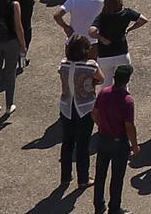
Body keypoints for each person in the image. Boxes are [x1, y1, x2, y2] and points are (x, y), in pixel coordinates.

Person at [90, 62, 139, 214]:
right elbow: (129, 126)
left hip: (103, 139)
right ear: (127, 80)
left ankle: (99, 207)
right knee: (117, 178)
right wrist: (135, 145)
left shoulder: (104, 92)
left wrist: (101, 125)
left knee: (100, 175)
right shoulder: (127, 100)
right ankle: (114, 208)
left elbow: (94, 113)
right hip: (119, 143)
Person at [56, 36, 102, 193]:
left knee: (67, 142)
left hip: (66, 107)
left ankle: (65, 176)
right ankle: (83, 179)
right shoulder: (90, 66)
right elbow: (100, 79)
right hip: (85, 108)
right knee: (83, 145)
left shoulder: (63, 64)